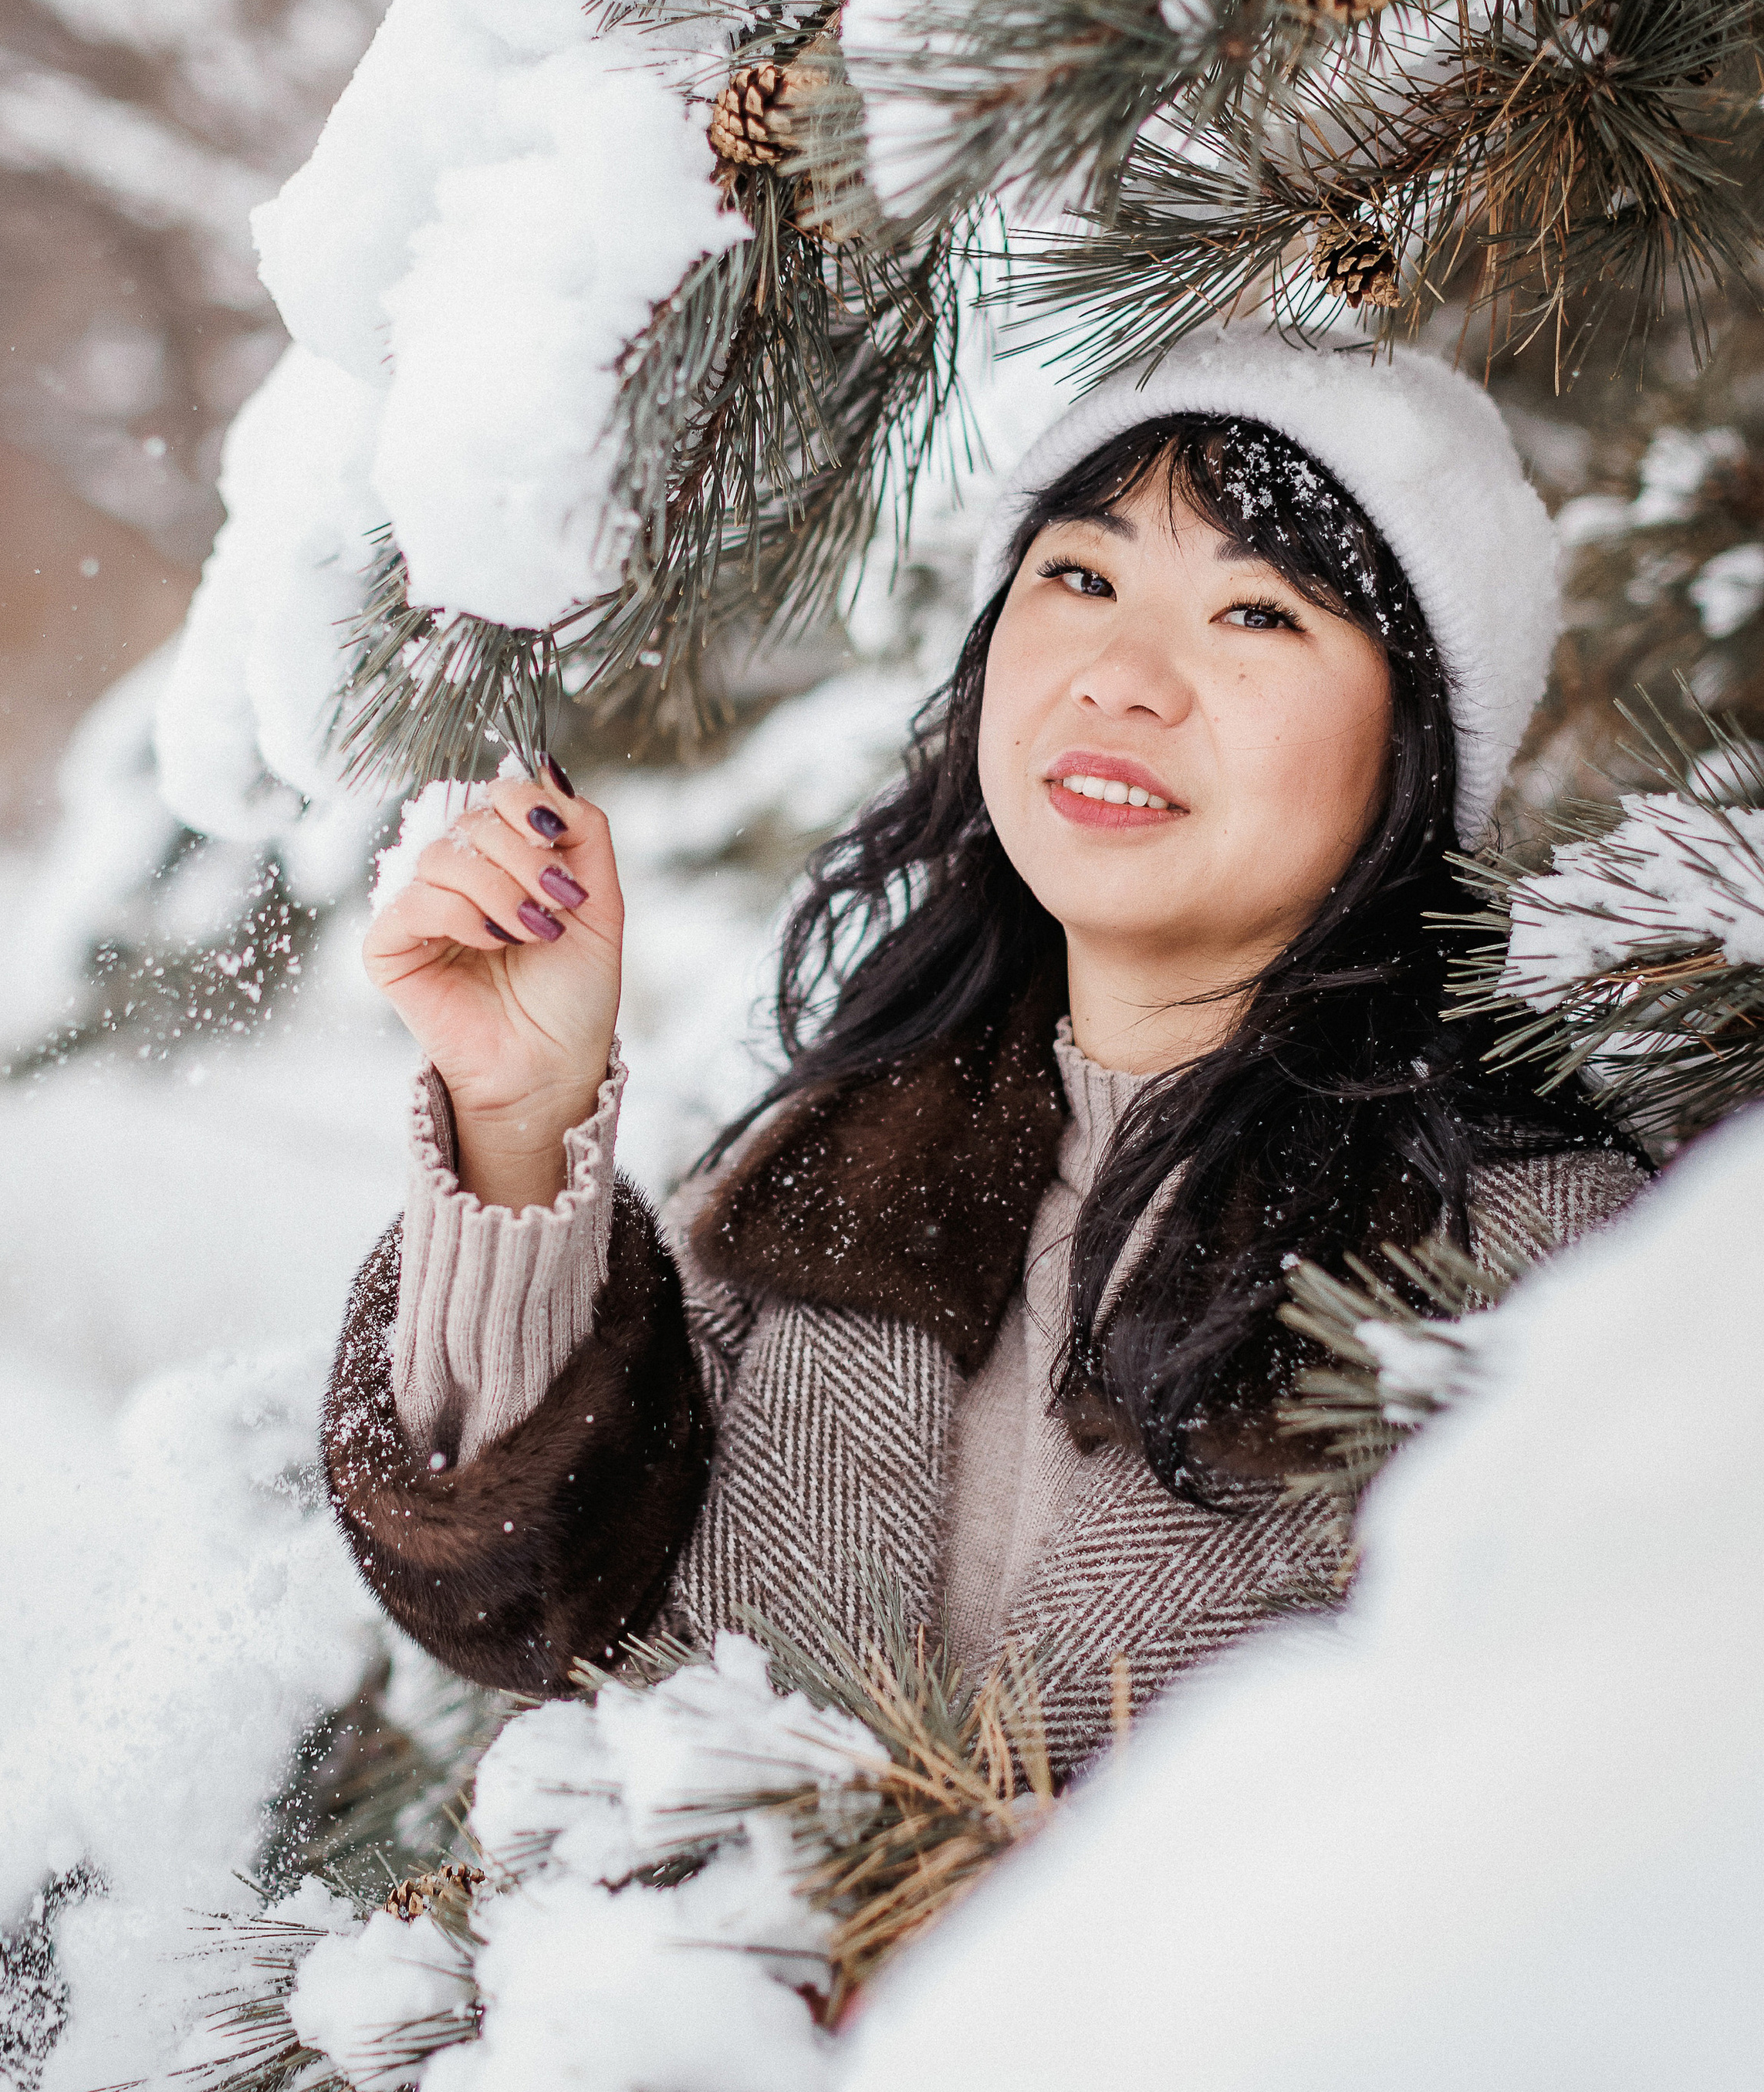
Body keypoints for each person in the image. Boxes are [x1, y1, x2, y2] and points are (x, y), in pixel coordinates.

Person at [321, 336, 1645, 1777]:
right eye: (1081, 578)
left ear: (1417, 745)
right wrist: (519, 1113)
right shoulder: (819, 1177)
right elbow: (505, 1590)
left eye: (1259, 614)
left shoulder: (1540, 1261)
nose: (1124, 678)